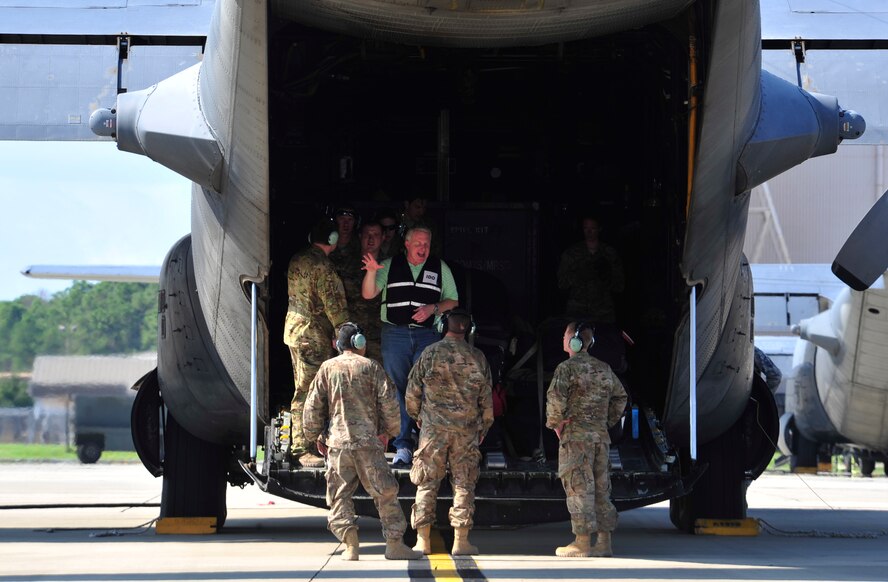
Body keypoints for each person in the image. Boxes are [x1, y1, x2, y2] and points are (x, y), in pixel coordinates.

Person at [303, 323, 420, 561]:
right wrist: (390, 432)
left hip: (338, 446)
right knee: (385, 493)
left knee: (339, 497)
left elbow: (313, 406)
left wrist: (315, 434)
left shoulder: (327, 368)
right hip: (369, 444)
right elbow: (390, 403)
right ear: (359, 343)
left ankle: (350, 546)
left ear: (337, 344)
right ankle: (395, 545)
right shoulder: (372, 368)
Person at [361, 226, 459, 468]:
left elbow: (453, 300)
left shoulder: (439, 267)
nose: (423, 249)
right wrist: (372, 272)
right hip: (395, 335)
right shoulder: (390, 264)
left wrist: (433, 308)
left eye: (426, 244)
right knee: (399, 389)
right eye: (418, 244)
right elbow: (368, 293)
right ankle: (403, 445)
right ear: (406, 244)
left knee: (428, 389)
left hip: (428, 335)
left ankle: (426, 445)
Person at [405, 309, 493, 556]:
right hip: (466, 432)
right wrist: (482, 428)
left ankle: (422, 540)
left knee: (426, 483)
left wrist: (419, 418)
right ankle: (461, 541)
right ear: (470, 329)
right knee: (464, 484)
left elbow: (412, 393)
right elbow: (487, 399)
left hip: (433, 431)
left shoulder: (430, 354)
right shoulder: (478, 357)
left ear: (443, 325)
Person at [546, 321, 628, 558]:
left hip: (576, 438)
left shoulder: (566, 368)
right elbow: (620, 397)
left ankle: (582, 542)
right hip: (600, 438)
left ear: (574, 341)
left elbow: (555, 399)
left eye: (565, 335)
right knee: (602, 488)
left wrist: (556, 424)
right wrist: (606, 422)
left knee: (579, 487)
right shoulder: (604, 368)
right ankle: (604, 541)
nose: (563, 339)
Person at [284, 220, 350, 468]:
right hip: (313, 335)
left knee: (302, 388)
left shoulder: (298, 259)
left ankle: (307, 442)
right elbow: (335, 305)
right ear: (332, 240)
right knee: (308, 391)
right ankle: (302, 447)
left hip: (294, 331)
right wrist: (344, 333)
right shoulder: (324, 266)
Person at [557, 215, 624, 324]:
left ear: (599, 229)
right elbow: (562, 283)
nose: (589, 232)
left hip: (603, 312)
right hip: (577, 311)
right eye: (585, 228)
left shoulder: (609, 253)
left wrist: (606, 276)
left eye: (592, 228)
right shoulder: (572, 253)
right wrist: (580, 274)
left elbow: (619, 286)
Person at [334, 220, 384, 362]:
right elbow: (336, 301)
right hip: (350, 335)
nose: (371, 239)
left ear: (383, 238)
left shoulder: (388, 266)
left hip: (379, 335)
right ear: (360, 236)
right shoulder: (344, 264)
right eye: (367, 234)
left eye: (376, 234)